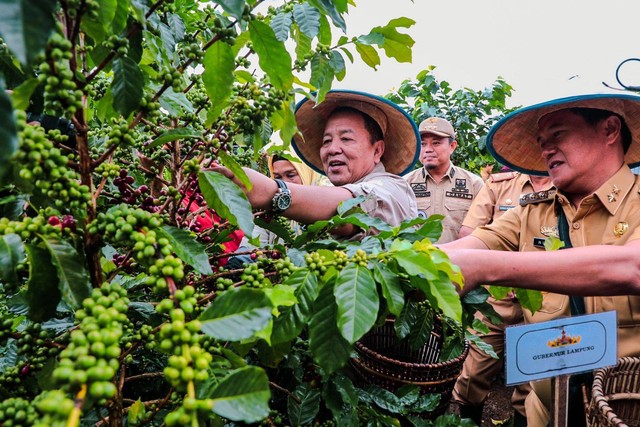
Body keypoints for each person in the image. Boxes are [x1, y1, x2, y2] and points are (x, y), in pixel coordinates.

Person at [440, 92, 640, 427]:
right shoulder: (530, 211)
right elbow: (474, 244)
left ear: (609, 130)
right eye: (541, 140)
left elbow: (631, 267)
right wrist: (396, 260)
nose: (546, 149)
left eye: (558, 134)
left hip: (622, 414)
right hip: (546, 413)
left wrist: (486, 268)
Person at [212, 90, 420, 240]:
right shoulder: (328, 193)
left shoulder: (394, 189)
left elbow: (352, 208)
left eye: (346, 139)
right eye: (326, 141)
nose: (332, 149)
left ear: (377, 150)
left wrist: (271, 192)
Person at [453, 170, 554, 426]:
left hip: (545, 302)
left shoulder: (564, 188)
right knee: (473, 373)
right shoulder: (501, 185)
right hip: (496, 301)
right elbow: (470, 234)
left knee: (533, 385)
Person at [403, 117, 484, 243]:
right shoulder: (405, 184)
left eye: (436, 143)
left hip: (458, 261)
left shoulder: (474, 185)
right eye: (422, 144)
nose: (428, 149)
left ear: (452, 146)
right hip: (418, 261)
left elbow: (483, 233)